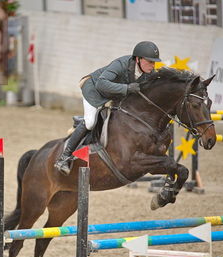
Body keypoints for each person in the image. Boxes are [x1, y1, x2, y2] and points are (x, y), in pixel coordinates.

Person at [54, 41, 162, 175]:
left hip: (114, 95)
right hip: (93, 89)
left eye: (154, 62)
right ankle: (64, 157)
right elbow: (101, 84)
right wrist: (127, 88)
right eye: (150, 62)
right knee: (90, 122)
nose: (153, 65)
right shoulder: (121, 64)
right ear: (138, 59)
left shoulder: (147, 73)